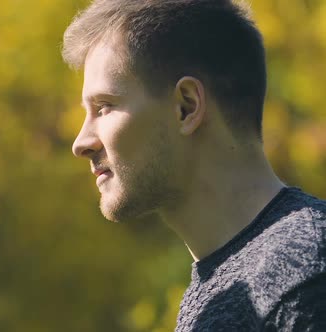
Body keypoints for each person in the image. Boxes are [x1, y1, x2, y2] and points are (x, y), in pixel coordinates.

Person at [62, 0, 326, 330]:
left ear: (186, 106)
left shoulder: (304, 276)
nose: (80, 143)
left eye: (104, 107)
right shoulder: (218, 294)